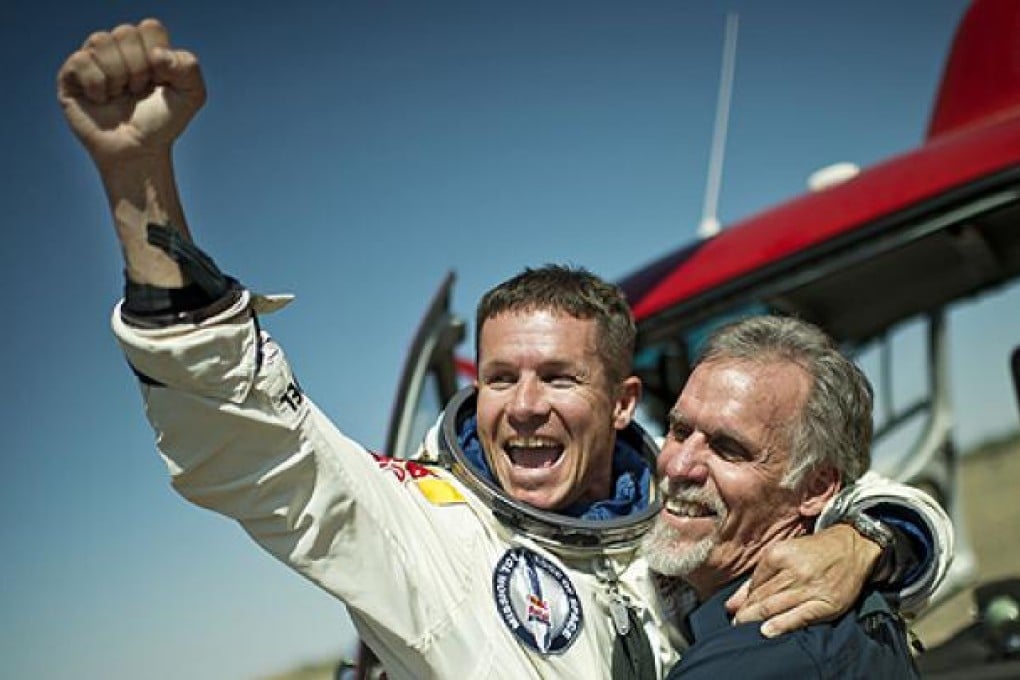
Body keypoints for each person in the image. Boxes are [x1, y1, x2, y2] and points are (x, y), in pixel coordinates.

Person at [57, 19, 951, 679]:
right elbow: (254, 446)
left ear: (624, 403)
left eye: (558, 377)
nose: (521, 405)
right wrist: (141, 188)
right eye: (499, 377)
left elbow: (839, 488)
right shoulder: (424, 531)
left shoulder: (677, 521)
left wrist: (874, 542)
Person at [643, 315, 921, 678]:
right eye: (679, 431)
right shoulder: (850, 617)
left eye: (728, 449)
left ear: (816, 488)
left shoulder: (763, 657)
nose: (678, 465)